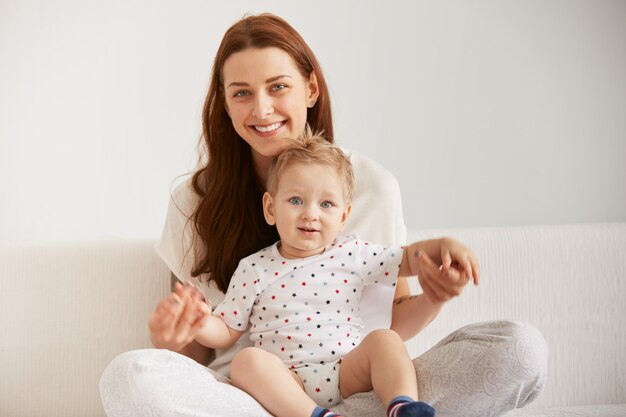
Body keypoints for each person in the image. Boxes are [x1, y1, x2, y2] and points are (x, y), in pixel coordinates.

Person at [100, 13, 548, 417]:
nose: (262, 109)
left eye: (278, 86)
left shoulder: (372, 186)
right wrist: (175, 335)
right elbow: (196, 353)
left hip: (360, 385)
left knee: (520, 350)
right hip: (248, 399)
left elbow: (393, 321)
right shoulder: (194, 201)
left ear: (310, 88)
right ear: (225, 102)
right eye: (242, 93)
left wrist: (435, 292)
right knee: (129, 377)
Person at [193, 132, 472, 417]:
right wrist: (200, 321)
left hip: (347, 369)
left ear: (342, 216)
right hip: (289, 380)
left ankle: (404, 406)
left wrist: (440, 248)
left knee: (384, 340)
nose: (310, 214)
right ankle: (316, 416)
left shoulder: (352, 252)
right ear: (270, 208)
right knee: (245, 362)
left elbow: (406, 259)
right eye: (295, 200)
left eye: (326, 204)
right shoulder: (254, 268)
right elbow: (226, 329)